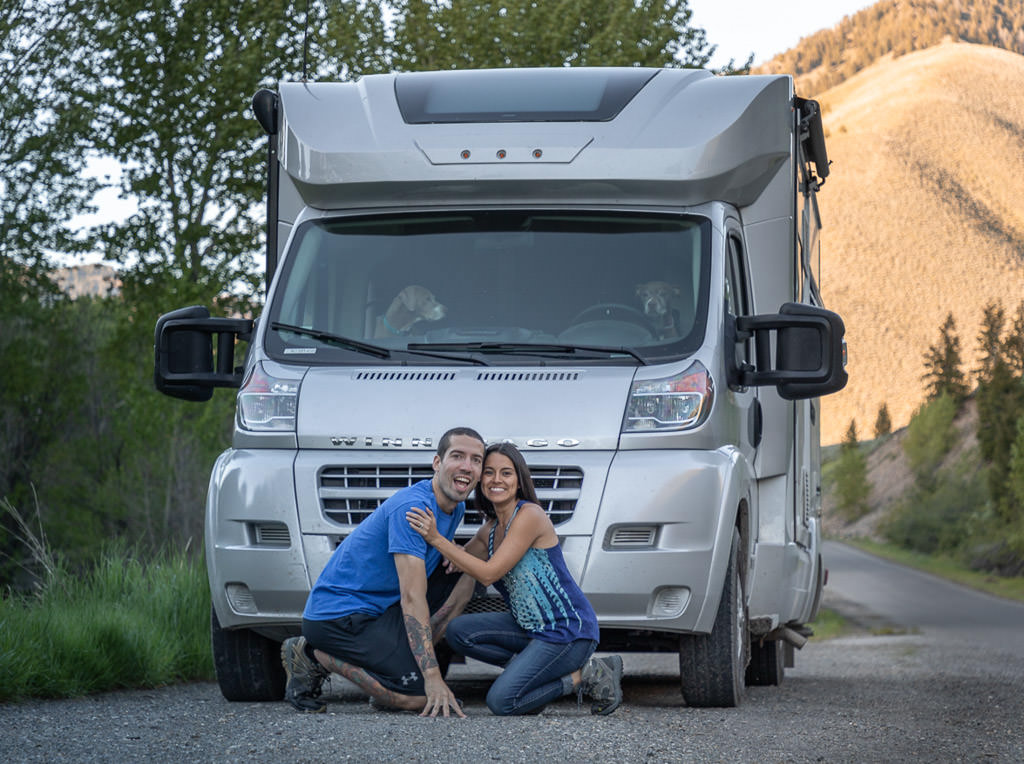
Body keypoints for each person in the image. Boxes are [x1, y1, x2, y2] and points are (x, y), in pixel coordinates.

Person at [280, 426, 486, 717]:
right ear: (437, 463)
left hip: (378, 611)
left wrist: (451, 550)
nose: (467, 466)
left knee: (466, 570)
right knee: (416, 697)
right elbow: (412, 598)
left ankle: (401, 670)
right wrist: (432, 678)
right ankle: (314, 656)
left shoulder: (455, 508)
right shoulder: (412, 508)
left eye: (476, 460)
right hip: (339, 616)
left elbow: (430, 548)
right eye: (457, 456)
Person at [406, 442, 623, 716]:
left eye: (506, 473)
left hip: (567, 632)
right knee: (458, 632)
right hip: (530, 629)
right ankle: (531, 674)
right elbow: (456, 561)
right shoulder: (491, 530)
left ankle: (586, 675)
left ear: (519, 481)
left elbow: (487, 572)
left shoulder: (530, 515)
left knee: (502, 702)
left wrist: (436, 537)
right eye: (489, 472)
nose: (496, 480)